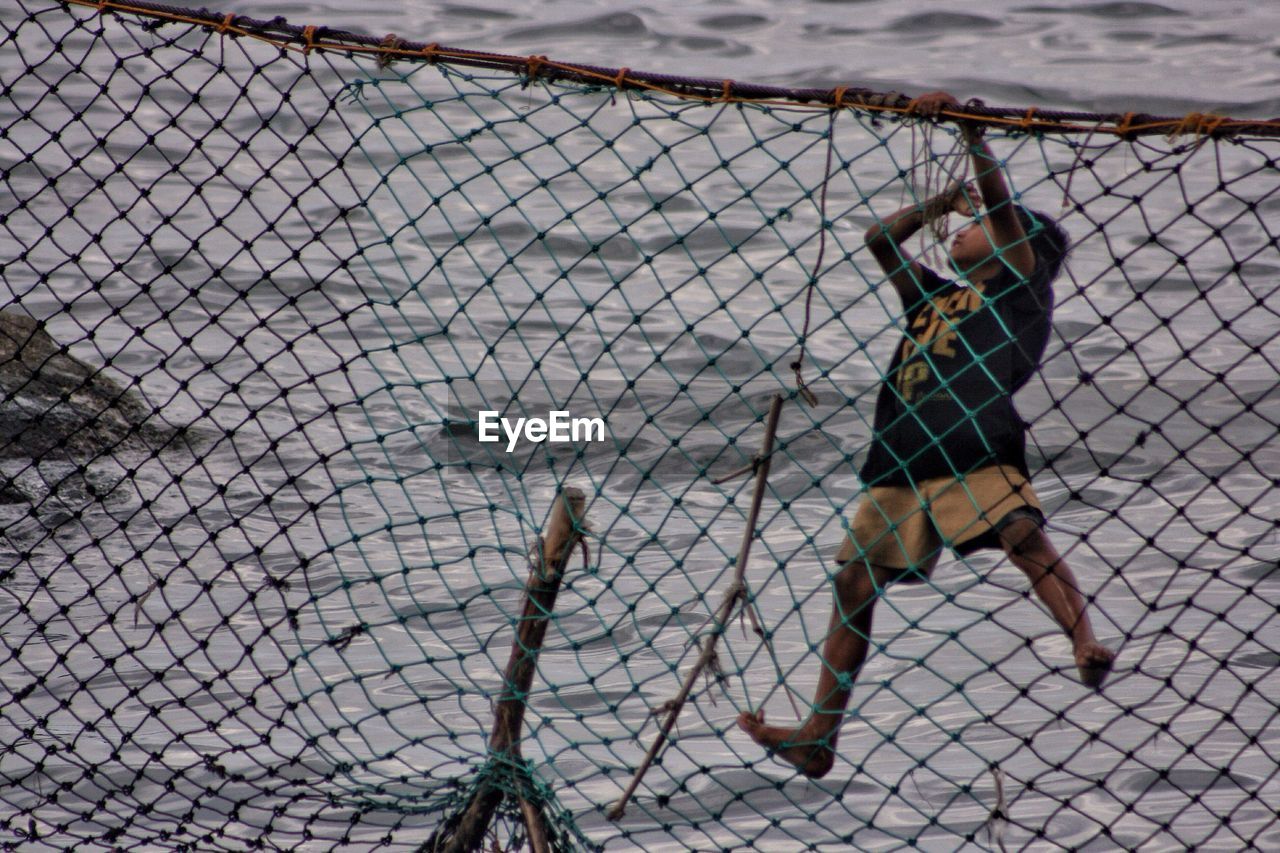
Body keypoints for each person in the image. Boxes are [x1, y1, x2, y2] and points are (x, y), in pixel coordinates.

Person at [738, 91, 1115, 779]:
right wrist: (940, 205)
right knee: (853, 579)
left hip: (975, 443)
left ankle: (1084, 639)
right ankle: (819, 733)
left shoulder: (1018, 293)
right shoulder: (933, 294)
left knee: (1021, 534)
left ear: (1017, 248)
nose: (963, 230)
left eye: (979, 226)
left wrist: (974, 133)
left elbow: (1002, 211)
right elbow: (881, 239)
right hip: (903, 457)